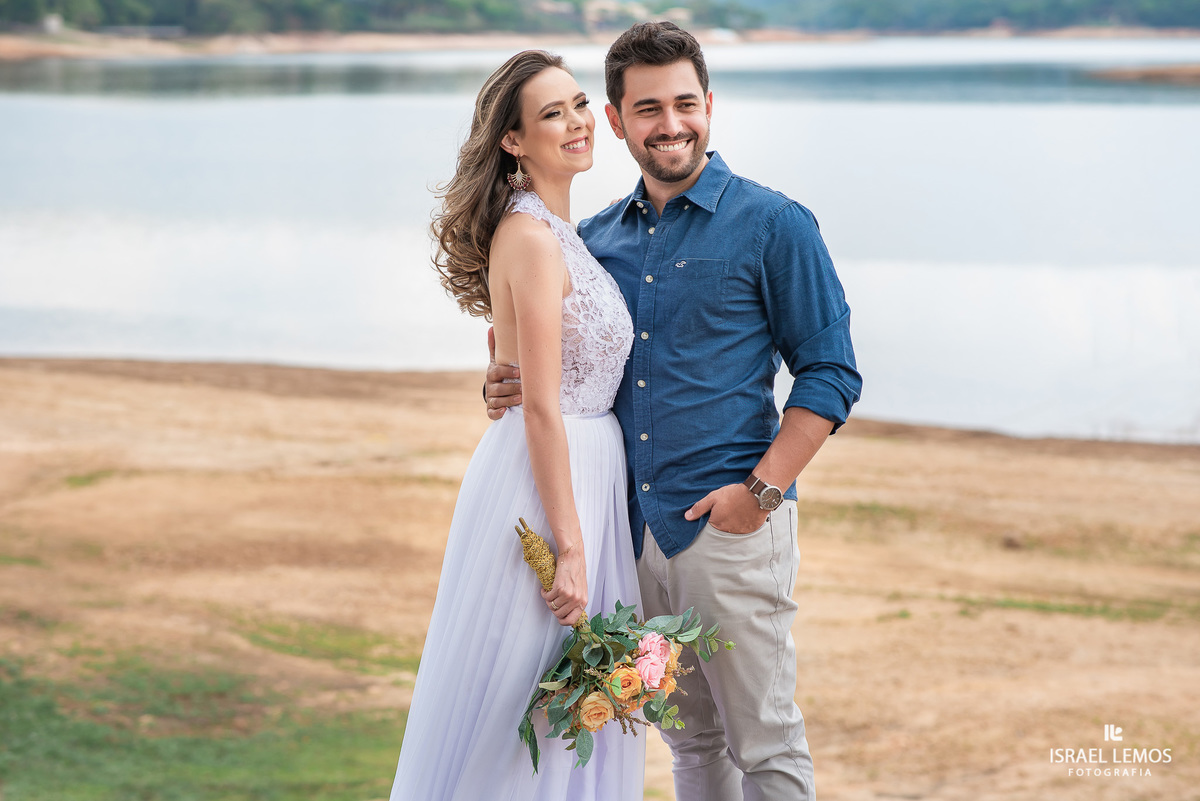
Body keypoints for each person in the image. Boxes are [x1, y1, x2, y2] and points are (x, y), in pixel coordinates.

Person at [485, 22, 863, 801]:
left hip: (731, 528)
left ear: (709, 106)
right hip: (627, 536)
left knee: (766, 742)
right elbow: (568, 365)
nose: (671, 124)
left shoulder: (774, 224)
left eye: (685, 104)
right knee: (690, 742)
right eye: (648, 108)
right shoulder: (593, 242)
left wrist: (759, 493)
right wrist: (500, 381)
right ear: (617, 121)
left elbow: (830, 372)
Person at [388, 50, 644, 800]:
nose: (577, 122)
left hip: (586, 471)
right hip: (547, 484)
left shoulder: (563, 231)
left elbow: (527, 360)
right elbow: (538, 403)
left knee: (565, 706)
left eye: (579, 104)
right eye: (552, 114)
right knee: (520, 705)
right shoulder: (531, 235)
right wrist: (571, 547)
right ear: (513, 140)